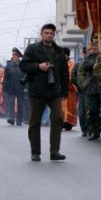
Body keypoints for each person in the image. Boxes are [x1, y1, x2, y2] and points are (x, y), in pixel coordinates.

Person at [20, 23, 68, 162]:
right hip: (37, 90)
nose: (49, 35)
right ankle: (35, 152)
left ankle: (55, 151)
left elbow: (64, 73)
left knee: (57, 119)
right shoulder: (33, 48)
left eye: (51, 33)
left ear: (54, 35)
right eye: (46, 33)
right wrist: (38, 66)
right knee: (35, 122)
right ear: (41, 34)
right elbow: (23, 66)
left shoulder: (59, 51)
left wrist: (64, 92)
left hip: (54, 91)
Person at [82, 41, 101, 141]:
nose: (95, 47)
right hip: (93, 87)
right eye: (94, 46)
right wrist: (96, 61)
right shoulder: (90, 57)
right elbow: (86, 66)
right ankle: (94, 130)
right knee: (93, 110)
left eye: (97, 45)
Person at [3, 48, 25, 126]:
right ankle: (11, 118)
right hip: (11, 88)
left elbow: (26, 76)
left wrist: (25, 87)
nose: (14, 57)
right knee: (11, 103)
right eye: (13, 55)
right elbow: (5, 78)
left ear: (19, 57)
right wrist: (5, 88)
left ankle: (19, 120)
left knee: (20, 105)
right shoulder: (8, 66)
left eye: (15, 55)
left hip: (20, 87)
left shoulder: (23, 65)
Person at [61, 47, 78, 131]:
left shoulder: (71, 64)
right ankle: (62, 122)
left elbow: (71, 76)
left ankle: (69, 123)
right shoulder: (59, 63)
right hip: (61, 89)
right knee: (61, 106)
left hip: (70, 89)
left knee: (70, 106)